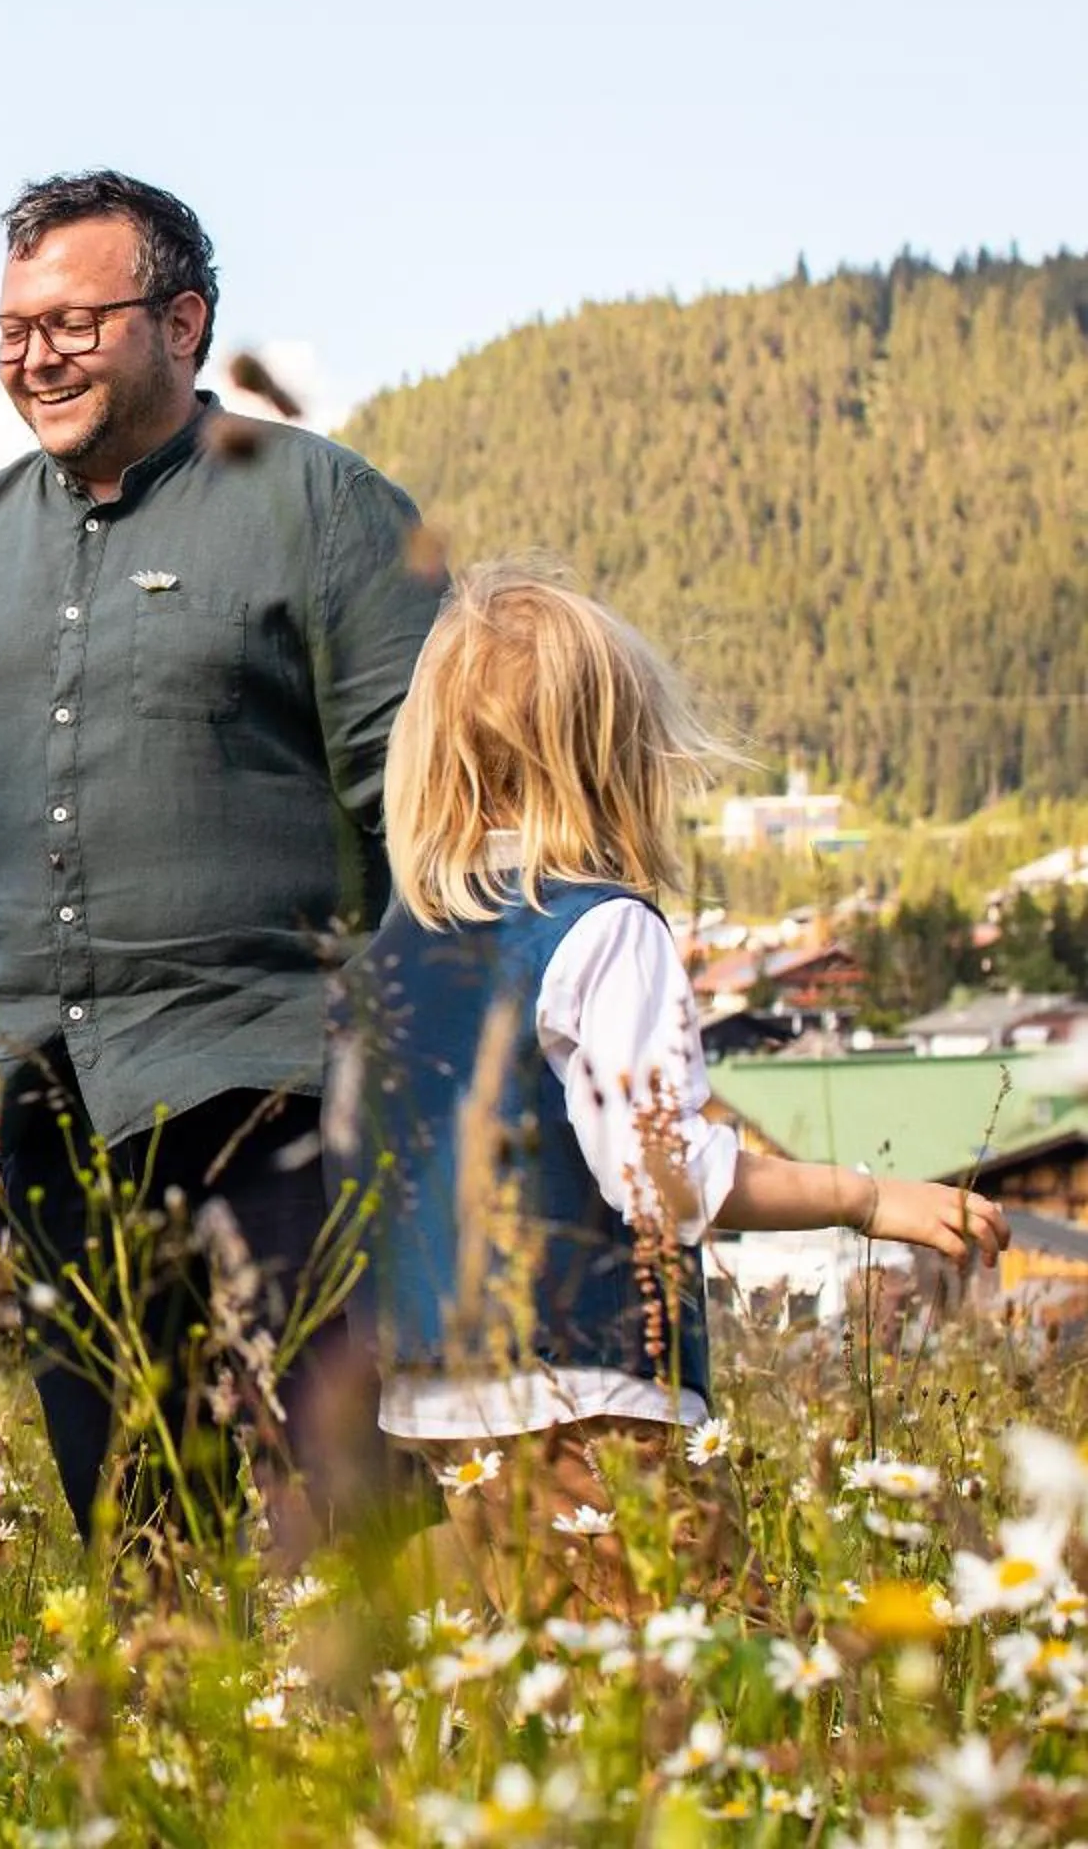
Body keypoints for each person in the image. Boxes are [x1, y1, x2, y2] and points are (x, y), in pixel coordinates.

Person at [0, 170, 447, 1554]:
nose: (33, 354)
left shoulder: (325, 506)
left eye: (75, 319)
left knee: (350, 1519)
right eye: (8, 328)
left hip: (289, 1101)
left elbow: (417, 803)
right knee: (135, 1535)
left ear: (184, 321)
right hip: (56, 1119)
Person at [326, 563, 1006, 1617]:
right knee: (710, 1666)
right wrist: (867, 1198)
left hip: (432, 1398)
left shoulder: (394, 949)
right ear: (615, 762)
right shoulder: (601, 930)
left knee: (532, 1677)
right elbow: (663, 1180)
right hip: (588, 1386)